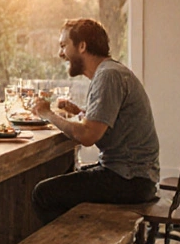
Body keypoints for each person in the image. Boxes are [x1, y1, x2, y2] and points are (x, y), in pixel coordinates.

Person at [30, 18, 160, 224]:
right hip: (138, 176)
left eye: (64, 45)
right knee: (64, 173)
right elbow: (110, 125)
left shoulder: (108, 76)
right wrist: (81, 112)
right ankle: (79, 241)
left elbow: (88, 136)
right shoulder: (111, 71)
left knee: (43, 194)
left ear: (82, 46)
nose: (60, 54)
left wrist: (47, 114)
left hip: (129, 180)